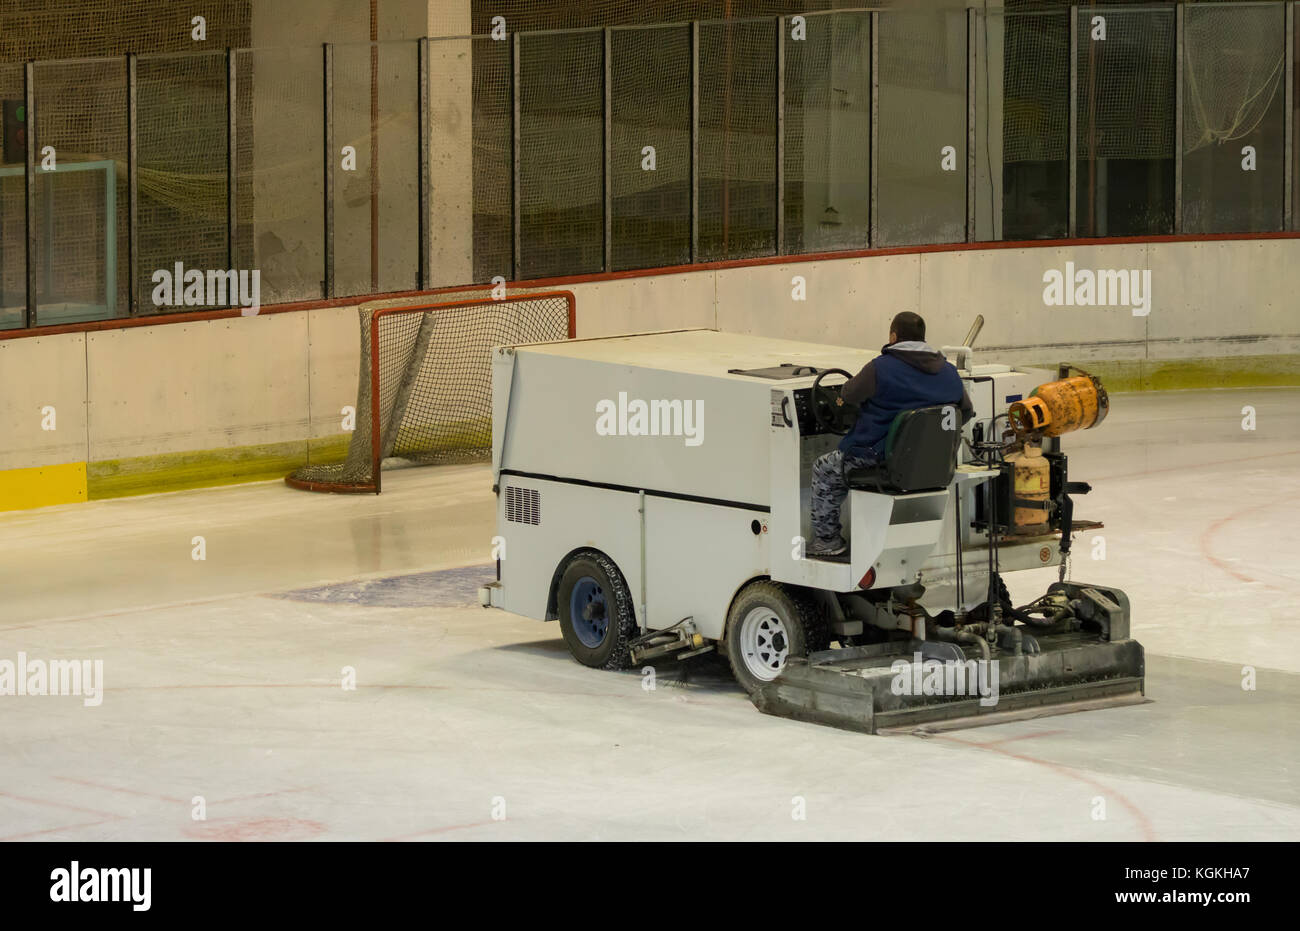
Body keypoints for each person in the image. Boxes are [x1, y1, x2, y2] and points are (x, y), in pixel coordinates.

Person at [807, 311, 974, 558]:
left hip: (879, 457)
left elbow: (849, 394)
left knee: (824, 469)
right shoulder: (949, 372)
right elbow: (966, 413)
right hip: (934, 464)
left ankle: (827, 541)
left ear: (893, 336)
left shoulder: (880, 369)